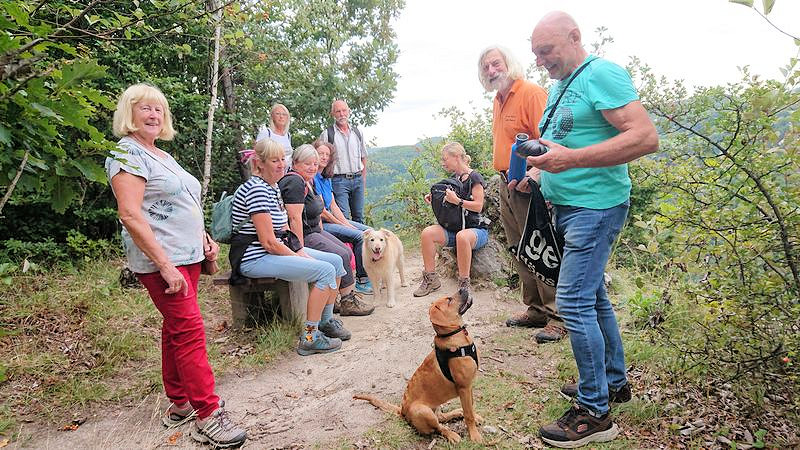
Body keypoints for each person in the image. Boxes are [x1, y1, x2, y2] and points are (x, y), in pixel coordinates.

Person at [527, 12, 659, 448]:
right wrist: (539, 169)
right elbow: (566, 142)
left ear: (574, 37)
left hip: (595, 207)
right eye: (536, 54)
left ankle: (594, 413)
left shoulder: (602, 73)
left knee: (572, 300)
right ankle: (613, 383)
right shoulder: (562, 85)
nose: (542, 60)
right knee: (593, 295)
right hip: (565, 206)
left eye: (547, 51)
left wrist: (571, 162)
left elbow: (644, 137)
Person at [105, 83, 247, 447]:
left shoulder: (161, 155)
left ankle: (180, 403)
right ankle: (208, 414)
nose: (153, 115)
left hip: (189, 256)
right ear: (129, 114)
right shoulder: (127, 155)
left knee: (176, 329)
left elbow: (183, 203)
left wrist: (203, 239)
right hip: (162, 261)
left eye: (158, 109)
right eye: (145, 109)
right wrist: (164, 265)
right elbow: (131, 215)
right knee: (190, 331)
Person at [478, 45, 566, 343]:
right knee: (519, 246)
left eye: (495, 64)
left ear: (508, 64)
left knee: (542, 245)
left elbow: (550, 139)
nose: (491, 71)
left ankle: (557, 315)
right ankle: (536, 308)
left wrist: (535, 175)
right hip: (505, 182)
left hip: (531, 182)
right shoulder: (498, 100)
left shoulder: (530, 92)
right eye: (486, 67)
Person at [231, 138, 352, 355]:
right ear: (259, 163)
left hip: (273, 250)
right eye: (273, 161)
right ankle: (309, 337)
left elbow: (283, 230)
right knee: (324, 271)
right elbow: (268, 242)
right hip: (254, 258)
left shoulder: (272, 187)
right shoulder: (256, 189)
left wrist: (299, 250)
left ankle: (324, 322)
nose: (280, 165)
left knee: (335, 260)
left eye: (281, 160)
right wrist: (299, 258)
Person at [279, 144, 375, 316]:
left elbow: (318, 209)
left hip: (315, 230)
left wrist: (325, 232)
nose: (312, 167)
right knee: (342, 254)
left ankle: (336, 301)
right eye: (307, 163)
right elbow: (294, 218)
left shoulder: (307, 181)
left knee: (344, 251)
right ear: (295, 162)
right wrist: (299, 250)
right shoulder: (294, 182)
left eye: (314, 164)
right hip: (304, 236)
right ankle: (345, 301)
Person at [414, 142, 489, 298]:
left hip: (476, 231)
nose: (443, 162)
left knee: (463, 237)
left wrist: (458, 201)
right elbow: (449, 204)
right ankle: (431, 279)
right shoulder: (453, 179)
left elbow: (478, 206)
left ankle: (464, 284)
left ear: (456, 157)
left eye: (445, 158)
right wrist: (435, 199)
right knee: (427, 233)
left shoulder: (475, 177)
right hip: (455, 229)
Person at [312, 139, 374, 294]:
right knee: (360, 237)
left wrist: (345, 222)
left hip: (332, 219)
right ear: (313, 155)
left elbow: (333, 206)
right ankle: (362, 279)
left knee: (370, 232)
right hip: (321, 224)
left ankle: (374, 273)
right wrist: (343, 225)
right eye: (321, 154)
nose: (324, 157)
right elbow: (322, 212)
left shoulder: (325, 178)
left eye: (327, 154)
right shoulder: (312, 178)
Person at [319, 99, 367, 223]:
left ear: (349, 112)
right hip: (338, 180)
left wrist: (363, 178)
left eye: (344, 110)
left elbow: (363, 156)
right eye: (338, 111)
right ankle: (344, 243)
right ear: (333, 114)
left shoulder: (357, 132)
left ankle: (360, 243)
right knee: (343, 217)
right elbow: (322, 159)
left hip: (357, 178)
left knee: (359, 217)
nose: (342, 114)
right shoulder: (328, 134)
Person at [256, 103, 293, 169]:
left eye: (284, 114)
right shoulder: (266, 133)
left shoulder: (287, 135)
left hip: (286, 172)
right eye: (277, 114)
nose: (281, 117)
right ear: (272, 117)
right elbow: (256, 154)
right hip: (270, 171)